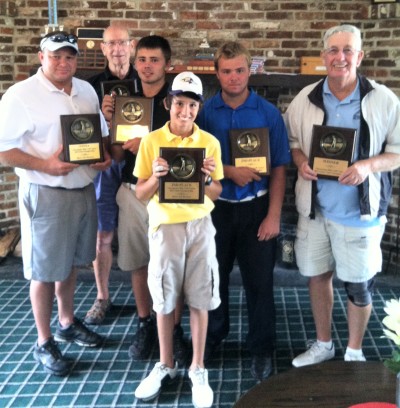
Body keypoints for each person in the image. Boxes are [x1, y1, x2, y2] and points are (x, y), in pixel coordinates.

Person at [285, 24, 400, 367]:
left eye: (348, 50)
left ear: (359, 56)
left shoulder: (383, 99)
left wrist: (367, 166)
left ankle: (354, 351)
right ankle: (324, 344)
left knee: (358, 286)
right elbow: (292, 144)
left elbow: (398, 151)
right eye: (333, 50)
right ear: (324, 57)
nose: (340, 57)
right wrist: (302, 161)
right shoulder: (305, 98)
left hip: (360, 215)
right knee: (317, 277)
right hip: (316, 211)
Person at [0, 31, 111, 376]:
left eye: (69, 56)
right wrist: (46, 164)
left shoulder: (86, 90)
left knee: (71, 264)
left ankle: (66, 321)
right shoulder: (20, 95)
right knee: (44, 270)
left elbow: (100, 135)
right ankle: (44, 341)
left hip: (82, 189)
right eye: (55, 56)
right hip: (45, 192)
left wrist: (103, 158)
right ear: (41, 56)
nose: (63, 63)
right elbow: (4, 150)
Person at [196, 41, 291, 381]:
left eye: (239, 70)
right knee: (213, 278)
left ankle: (262, 347)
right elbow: (196, 161)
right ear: (217, 73)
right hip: (215, 210)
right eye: (226, 71)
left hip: (257, 208)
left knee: (260, 283)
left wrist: (274, 215)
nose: (233, 77)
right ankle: (214, 336)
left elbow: (280, 166)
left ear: (248, 70)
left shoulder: (267, 113)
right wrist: (228, 170)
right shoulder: (204, 112)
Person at [133, 71, 223, 408]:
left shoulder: (209, 143)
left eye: (192, 105)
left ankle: (197, 367)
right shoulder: (151, 141)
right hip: (165, 227)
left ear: (199, 108)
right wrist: (156, 177)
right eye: (180, 103)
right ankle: (166, 364)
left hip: (200, 226)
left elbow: (218, 191)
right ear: (169, 102)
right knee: (164, 298)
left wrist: (209, 177)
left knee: (200, 296)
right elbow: (141, 194)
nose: (185, 111)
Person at [102, 35, 189, 364]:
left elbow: (193, 149)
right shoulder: (124, 99)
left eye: (155, 60)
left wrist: (150, 145)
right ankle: (145, 323)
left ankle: (176, 327)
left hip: (171, 195)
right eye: (142, 60)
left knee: (172, 266)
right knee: (138, 263)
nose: (148, 66)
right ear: (135, 63)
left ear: (168, 64)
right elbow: (113, 155)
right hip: (131, 191)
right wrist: (111, 126)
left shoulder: (181, 101)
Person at [83, 23, 140, 325]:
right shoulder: (89, 87)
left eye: (123, 43)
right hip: (105, 164)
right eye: (111, 44)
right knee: (103, 234)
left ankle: (150, 298)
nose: (117, 49)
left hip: (138, 165)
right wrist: (103, 120)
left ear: (132, 46)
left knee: (144, 234)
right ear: (103, 48)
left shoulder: (147, 82)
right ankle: (102, 296)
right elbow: (81, 133)